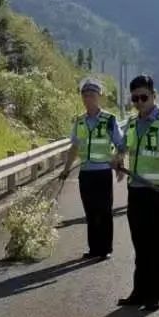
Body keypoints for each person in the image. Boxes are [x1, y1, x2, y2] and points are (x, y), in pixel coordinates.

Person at [114, 74, 159, 311]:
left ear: (154, 95)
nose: (140, 102)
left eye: (144, 97)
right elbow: (124, 147)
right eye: (135, 98)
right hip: (137, 191)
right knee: (140, 245)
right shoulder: (131, 123)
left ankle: (155, 293)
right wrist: (118, 158)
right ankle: (139, 292)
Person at [59, 77, 122, 260]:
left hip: (102, 172)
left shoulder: (109, 119)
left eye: (91, 95)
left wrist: (118, 161)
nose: (88, 98)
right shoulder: (79, 121)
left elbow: (120, 143)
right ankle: (94, 248)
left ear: (99, 97)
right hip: (85, 173)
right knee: (90, 211)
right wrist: (66, 169)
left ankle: (105, 248)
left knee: (104, 211)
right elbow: (74, 147)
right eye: (85, 95)